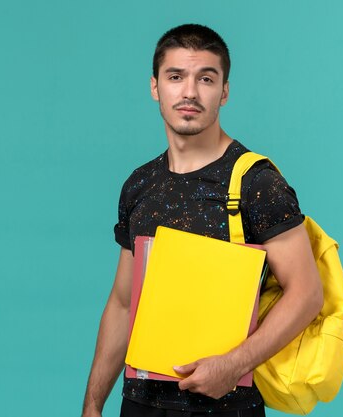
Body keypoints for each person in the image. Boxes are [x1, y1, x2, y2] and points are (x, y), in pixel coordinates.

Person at [81, 24, 323, 417]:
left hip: (226, 407)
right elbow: (124, 305)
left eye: (206, 78)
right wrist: (92, 405)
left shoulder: (256, 182)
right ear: (155, 87)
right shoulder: (139, 185)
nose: (190, 92)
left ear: (224, 92)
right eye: (175, 77)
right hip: (139, 404)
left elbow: (307, 294)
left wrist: (233, 364)